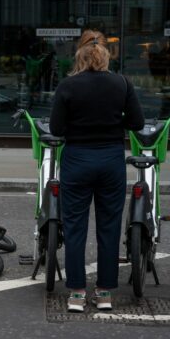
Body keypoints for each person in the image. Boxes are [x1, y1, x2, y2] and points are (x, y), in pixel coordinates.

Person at [49, 29, 144, 313]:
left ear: (79, 54)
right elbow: (137, 123)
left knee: (76, 227)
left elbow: (56, 129)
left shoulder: (68, 86)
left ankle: (77, 293)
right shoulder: (122, 83)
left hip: (77, 160)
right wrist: (114, 119)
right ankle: (104, 292)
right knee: (109, 226)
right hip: (111, 161)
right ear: (106, 55)